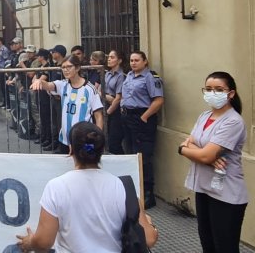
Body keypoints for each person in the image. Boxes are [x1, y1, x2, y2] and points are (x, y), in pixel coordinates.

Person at [16, 121, 158, 252]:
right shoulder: (123, 187)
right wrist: (150, 224)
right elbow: (150, 239)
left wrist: (30, 242)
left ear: (70, 149)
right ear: (102, 151)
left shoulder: (56, 187)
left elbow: (43, 242)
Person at [179, 72, 248, 253]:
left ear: (230, 94)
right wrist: (197, 152)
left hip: (225, 194)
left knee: (224, 247)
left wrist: (187, 151)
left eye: (218, 90)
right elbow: (191, 143)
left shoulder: (233, 121)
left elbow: (204, 155)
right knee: (208, 245)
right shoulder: (204, 116)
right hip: (204, 189)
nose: (212, 93)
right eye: (208, 89)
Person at [30, 55, 103, 154]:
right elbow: (49, 85)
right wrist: (39, 81)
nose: (65, 70)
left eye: (69, 67)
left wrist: (97, 138)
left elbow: (98, 116)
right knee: (66, 166)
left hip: (84, 139)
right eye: (63, 67)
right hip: (65, 139)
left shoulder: (89, 89)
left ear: (77, 68)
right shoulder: (63, 85)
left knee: (85, 167)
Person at [120, 51, 164, 209]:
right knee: (130, 153)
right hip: (128, 117)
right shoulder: (129, 75)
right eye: (131, 60)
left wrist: (144, 117)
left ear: (145, 61)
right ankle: (134, 190)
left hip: (141, 118)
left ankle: (148, 193)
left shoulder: (151, 77)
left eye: (137, 60)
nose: (133, 63)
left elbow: (158, 100)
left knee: (143, 157)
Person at [105, 50, 125, 154]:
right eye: (108, 57)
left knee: (114, 142)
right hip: (106, 107)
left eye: (112, 57)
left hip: (115, 111)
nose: (109, 59)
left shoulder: (121, 76)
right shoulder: (107, 74)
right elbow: (100, 90)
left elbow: (118, 98)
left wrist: (108, 112)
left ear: (119, 60)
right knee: (107, 141)